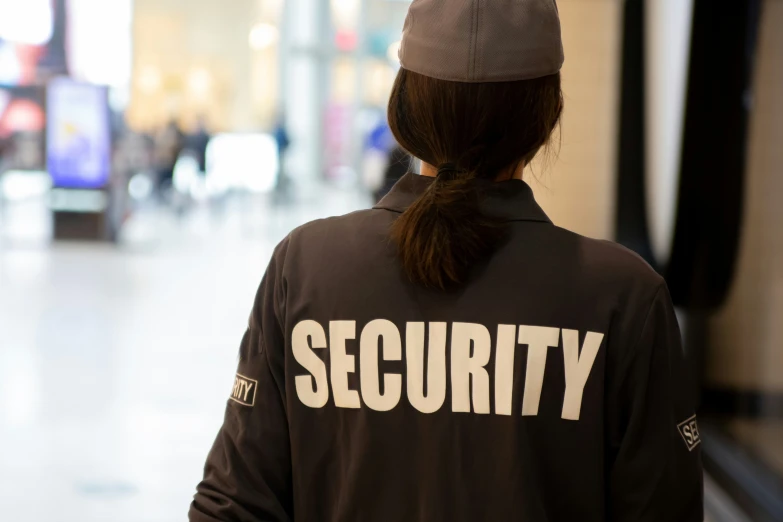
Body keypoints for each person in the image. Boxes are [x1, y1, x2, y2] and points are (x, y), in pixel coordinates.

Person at [189, 1, 703, 521]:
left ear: (403, 106)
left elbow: (234, 505)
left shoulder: (305, 269)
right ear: (546, 117)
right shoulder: (621, 298)